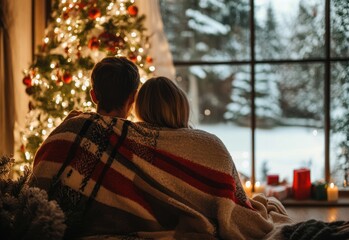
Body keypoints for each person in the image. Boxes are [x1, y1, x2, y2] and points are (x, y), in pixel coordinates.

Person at [30, 57, 293, 240]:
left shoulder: (72, 128)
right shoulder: (200, 144)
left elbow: (38, 186)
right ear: (133, 98)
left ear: (93, 96)